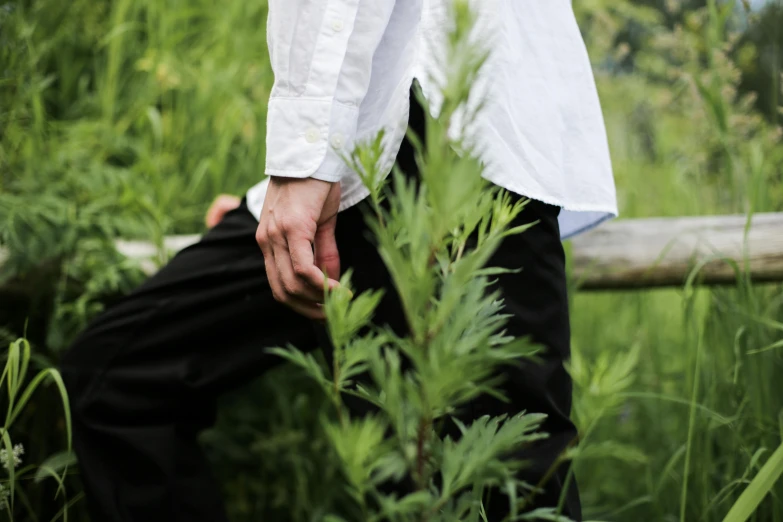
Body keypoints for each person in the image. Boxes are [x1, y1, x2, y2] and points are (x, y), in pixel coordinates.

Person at [60, 1, 617, 521]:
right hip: (371, 150)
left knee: (493, 484)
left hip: (437, 133)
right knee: (116, 381)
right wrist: (289, 181)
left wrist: (301, 164)